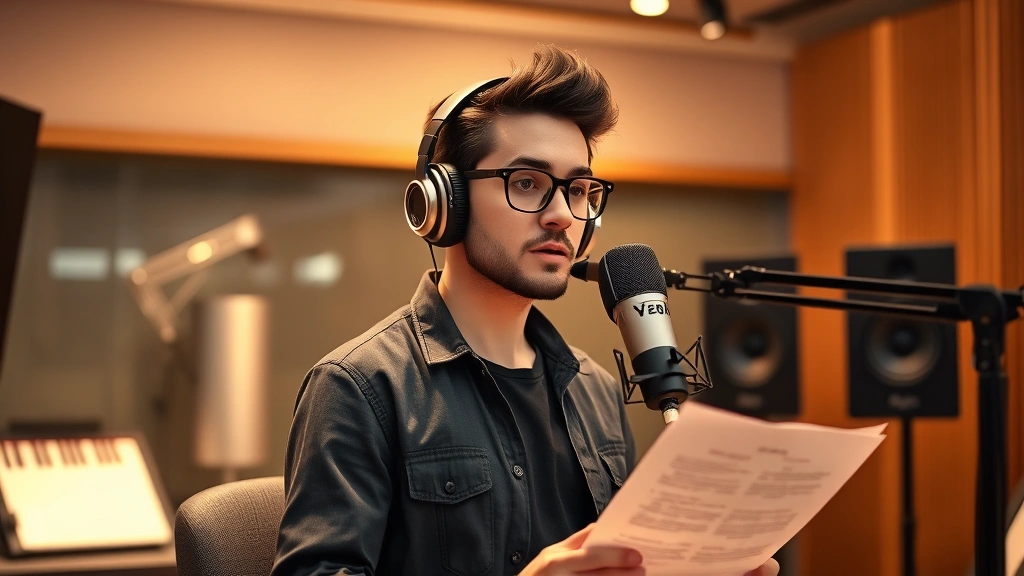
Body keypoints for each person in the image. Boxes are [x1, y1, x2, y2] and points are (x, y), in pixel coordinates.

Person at [272, 45, 780, 576]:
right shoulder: (359, 388)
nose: (564, 215)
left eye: (580, 190)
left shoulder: (598, 390)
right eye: (528, 183)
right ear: (445, 203)